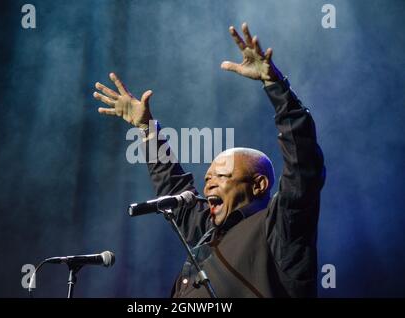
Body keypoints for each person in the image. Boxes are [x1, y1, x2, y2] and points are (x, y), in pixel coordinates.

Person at [93, 23, 325, 298]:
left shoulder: (279, 226)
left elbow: (303, 166)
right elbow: (173, 188)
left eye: (221, 176)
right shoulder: (208, 230)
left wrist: (275, 85)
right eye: (207, 179)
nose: (208, 186)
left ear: (259, 184)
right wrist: (146, 129)